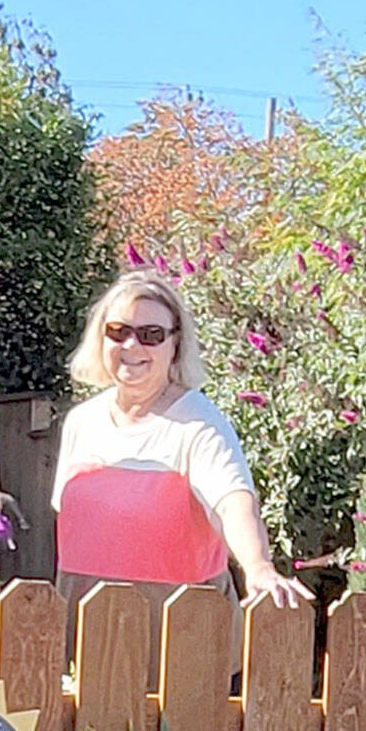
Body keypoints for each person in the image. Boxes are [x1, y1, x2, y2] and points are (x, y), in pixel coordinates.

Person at [53, 270, 311, 674]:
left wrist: (259, 567)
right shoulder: (81, 422)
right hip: (86, 645)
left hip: (180, 646)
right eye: (118, 331)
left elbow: (233, 502)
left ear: (175, 345)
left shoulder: (200, 423)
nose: (132, 345)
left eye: (151, 334)